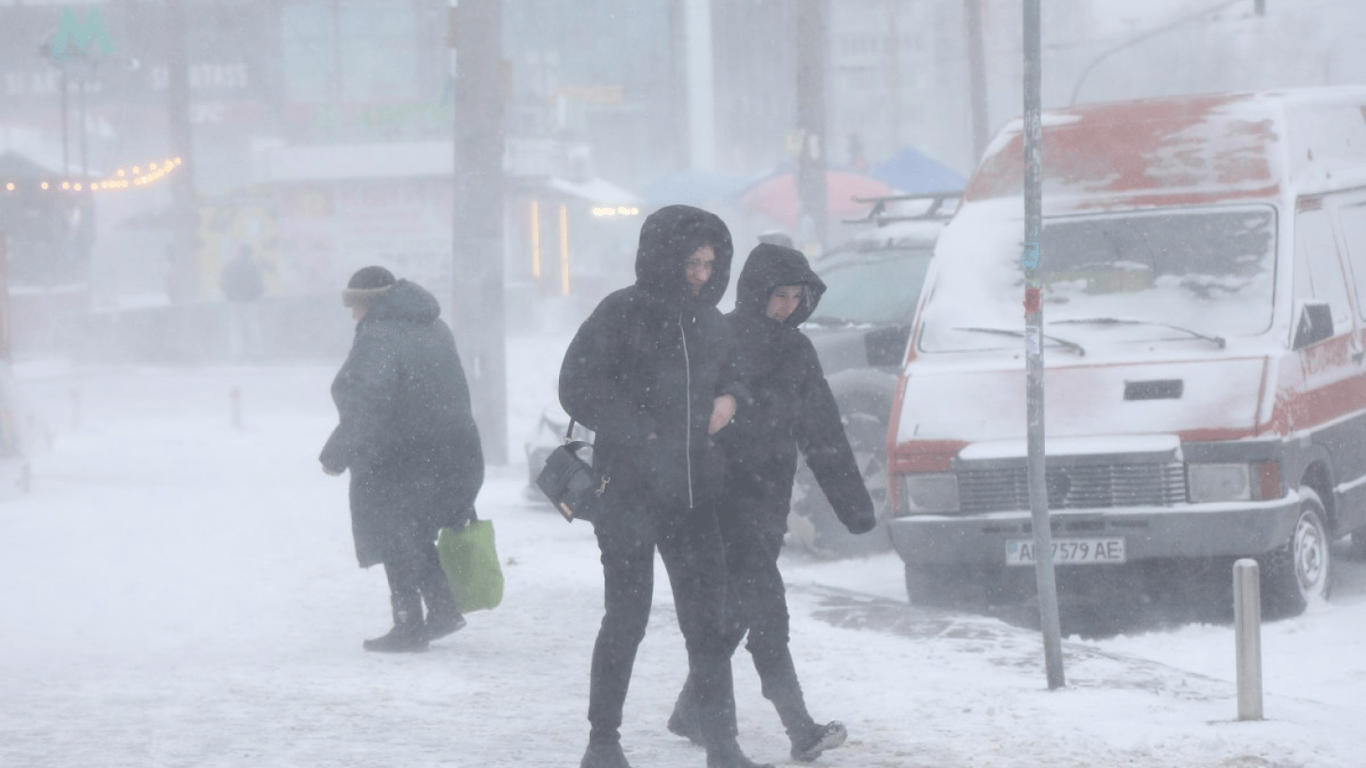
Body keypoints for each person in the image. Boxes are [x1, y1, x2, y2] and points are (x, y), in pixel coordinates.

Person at [559, 205, 770, 768]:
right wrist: (641, 430)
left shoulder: (711, 322)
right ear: (663, 259)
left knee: (707, 624)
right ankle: (603, 741)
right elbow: (575, 384)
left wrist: (730, 399)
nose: (701, 275)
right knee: (626, 618)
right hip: (627, 494)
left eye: (710, 264)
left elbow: (737, 375)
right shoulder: (619, 312)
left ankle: (723, 745)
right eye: (691, 263)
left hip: (694, 496)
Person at [666, 242, 877, 762]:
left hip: (767, 505)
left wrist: (853, 505)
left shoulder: (798, 351)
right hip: (719, 501)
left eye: (796, 297)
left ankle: (691, 711)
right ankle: (799, 727)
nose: (787, 306)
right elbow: (683, 414)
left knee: (737, 612)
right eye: (779, 295)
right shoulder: (718, 336)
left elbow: (823, 431)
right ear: (756, 291)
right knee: (765, 612)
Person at [320, 266, 484, 653]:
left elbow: (368, 401)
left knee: (394, 535)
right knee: (415, 531)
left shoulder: (380, 336)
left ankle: (408, 626)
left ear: (372, 303)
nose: (353, 315)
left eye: (356, 306)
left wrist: (337, 454)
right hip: (448, 448)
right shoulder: (434, 326)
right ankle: (442, 611)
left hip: (400, 452)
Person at [220, 244, 266, 359]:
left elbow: (224, 282)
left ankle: (236, 353)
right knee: (252, 326)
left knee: (235, 327)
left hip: (234, 301)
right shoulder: (253, 266)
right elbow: (259, 284)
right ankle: (256, 352)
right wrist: (256, 295)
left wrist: (230, 295)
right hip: (250, 301)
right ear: (250, 253)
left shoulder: (231, 265)